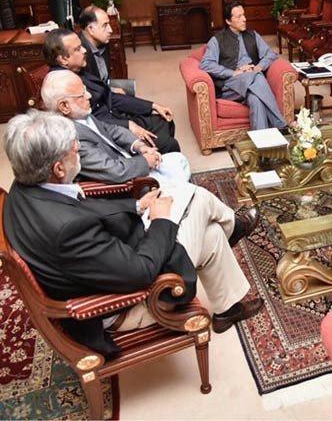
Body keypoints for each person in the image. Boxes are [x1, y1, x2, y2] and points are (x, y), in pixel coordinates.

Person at [3, 110, 262, 356]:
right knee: (195, 196)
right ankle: (234, 227)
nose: (79, 149)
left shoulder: (25, 187)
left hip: (109, 264)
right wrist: (160, 221)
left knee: (210, 232)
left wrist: (137, 205)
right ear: (58, 169)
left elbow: (83, 209)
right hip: (127, 304)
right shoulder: (67, 228)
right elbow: (141, 272)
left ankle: (227, 309)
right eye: (74, 148)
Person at [43, 26, 180, 154]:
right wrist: (128, 125)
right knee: (169, 144)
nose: (84, 50)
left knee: (164, 120)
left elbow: (110, 97)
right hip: (107, 134)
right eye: (78, 49)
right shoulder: (64, 84)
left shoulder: (77, 69)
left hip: (115, 116)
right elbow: (89, 121)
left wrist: (153, 106)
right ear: (63, 59)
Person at [40, 69, 190, 185]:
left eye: (86, 90)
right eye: (82, 95)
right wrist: (146, 161)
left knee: (179, 160)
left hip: (128, 160)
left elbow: (111, 130)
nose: (89, 96)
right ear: (64, 106)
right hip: (128, 182)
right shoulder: (70, 139)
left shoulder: (80, 114)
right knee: (179, 167)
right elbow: (114, 171)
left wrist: (139, 146)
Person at [199, 0, 287, 130]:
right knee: (257, 76)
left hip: (251, 82)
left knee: (255, 99)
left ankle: (262, 141)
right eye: (239, 16)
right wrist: (234, 72)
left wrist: (259, 67)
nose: (244, 19)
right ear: (228, 21)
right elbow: (206, 64)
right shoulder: (217, 40)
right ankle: (281, 124)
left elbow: (270, 54)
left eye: (244, 15)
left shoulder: (252, 35)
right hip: (230, 85)